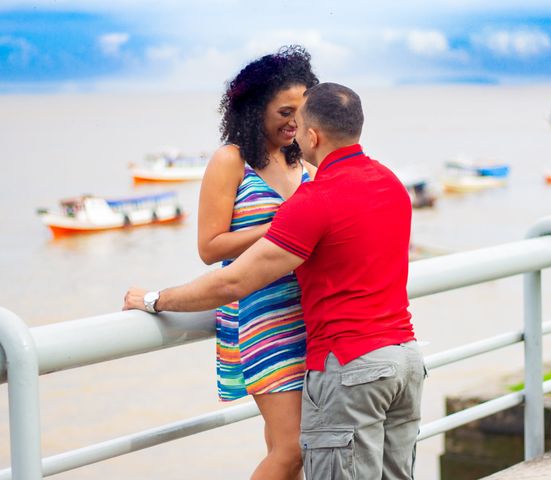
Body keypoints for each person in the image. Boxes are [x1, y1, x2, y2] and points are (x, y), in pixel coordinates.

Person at [124, 82, 426, 479]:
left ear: (313, 136)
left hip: (349, 364)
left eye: (298, 123)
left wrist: (154, 299)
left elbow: (231, 284)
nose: (294, 134)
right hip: (404, 358)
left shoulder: (316, 199)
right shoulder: (390, 184)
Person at [197, 45, 318, 480]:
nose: (296, 122)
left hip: (311, 311)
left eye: (303, 112)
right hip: (259, 313)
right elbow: (211, 248)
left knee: (283, 445)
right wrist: (284, 226)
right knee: (293, 447)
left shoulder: (304, 160)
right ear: (253, 109)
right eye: (285, 111)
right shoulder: (231, 161)